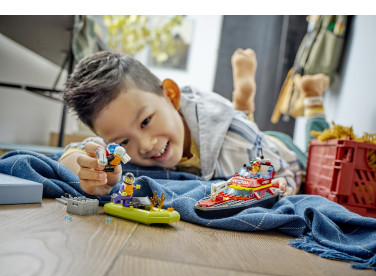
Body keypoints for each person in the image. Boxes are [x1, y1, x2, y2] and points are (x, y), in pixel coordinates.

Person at [60, 50, 325, 197]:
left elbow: (283, 174)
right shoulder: (122, 145)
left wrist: (281, 187)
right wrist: (90, 171)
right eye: (123, 141)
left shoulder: (236, 136)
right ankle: (243, 100)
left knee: (320, 147)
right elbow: (74, 154)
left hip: (283, 152)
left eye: (146, 122)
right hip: (236, 144)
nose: (145, 145)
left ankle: (312, 97)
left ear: (171, 96)